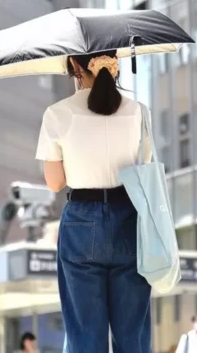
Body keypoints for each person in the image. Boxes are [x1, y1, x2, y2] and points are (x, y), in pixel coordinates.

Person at [36, 50, 153, 352]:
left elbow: (55, 182)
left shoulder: (57, 114)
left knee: (84, 334)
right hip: (129, 215)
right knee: (133, 334)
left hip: (81, 220)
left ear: (75, 66)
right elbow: (146, 165)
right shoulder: (138, 111)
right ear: (115, 62)